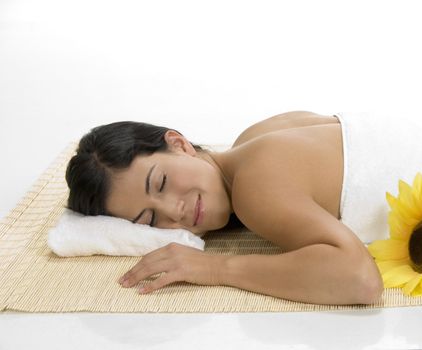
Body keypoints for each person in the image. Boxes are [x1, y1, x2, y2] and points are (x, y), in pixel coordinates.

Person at [65, 111, 384, 305]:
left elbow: (360, 280)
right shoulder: (254, 135)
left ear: (179, 144)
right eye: (150, 219)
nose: (175, 212)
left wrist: (215, 268)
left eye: (161, 182)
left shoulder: (254, 187)